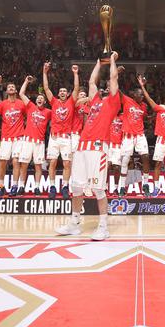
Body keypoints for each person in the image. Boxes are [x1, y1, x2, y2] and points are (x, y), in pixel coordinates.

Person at [55, 52, 121, 241]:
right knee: (76, 187)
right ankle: (74, 223)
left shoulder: (114, 102)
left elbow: (114, 77)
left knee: (98, 189)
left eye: (110, 86)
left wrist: (113, 60)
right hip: (82, 147)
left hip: (99, 148)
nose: (107, 86)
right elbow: (92, 82)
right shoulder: (96, 101)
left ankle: (103, 227)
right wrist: (98, 62)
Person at [137, 75, 165, 197]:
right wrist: (142, 86)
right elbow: (149, 99)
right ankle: (156, 188)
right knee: (157, 164)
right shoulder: (159, 109)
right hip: (161, 140)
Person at [43, 63, 80, 199]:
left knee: (66, 163)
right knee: (52, 163)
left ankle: (65, 187)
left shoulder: (71, 102)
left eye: (65, 91)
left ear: (67, 94)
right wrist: (45, 72)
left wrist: (75, 73)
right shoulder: (53, 102)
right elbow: (46, 88)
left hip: (66, 138)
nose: (63, 93)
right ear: (58, 94)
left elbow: (76, 88)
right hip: (54, 138)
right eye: (61, 91)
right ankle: (52, 186)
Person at [0, 80, 26, 196]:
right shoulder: (2, 104)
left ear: (16, 90)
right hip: (6, 138)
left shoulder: (21, 104)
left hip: (19, 137)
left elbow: (29, 117)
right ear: (7, 90)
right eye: (9, 87)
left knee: (15, 161)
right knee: (2, 161)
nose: (11, 88)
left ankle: (14, 186)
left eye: (13, 86)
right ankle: (1, 186)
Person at [18, 75, 53, 195]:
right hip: (27, 140)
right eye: (38, 98)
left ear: (44, 101)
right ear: (36, 100)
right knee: (24, 165)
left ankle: (37, 187)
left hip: (39, 142)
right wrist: (26, 81)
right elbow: (21, 94)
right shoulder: (31, 107)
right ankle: (21, 186)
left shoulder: (48, 112)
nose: (39, 100)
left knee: (38, 167)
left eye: (41, 99)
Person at [117, 86, 151, 196]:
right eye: (140, 94)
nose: (142, 96)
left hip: (140, 134)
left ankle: (145, 184)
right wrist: (116, 75)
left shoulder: (144, 106)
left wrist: (152, 118)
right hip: (128, 135)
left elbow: (144, 117)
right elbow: (118, 90)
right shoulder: (127, 100)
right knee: (125, 160)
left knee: (145, 156)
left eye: (142, 95)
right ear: (134, 95)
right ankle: (122, 187)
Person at [108, 114, 124, 194]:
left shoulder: (124, 116)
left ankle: (116, 188)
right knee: (106, 167)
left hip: (119, 146)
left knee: (117, 167)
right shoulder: (108, 114)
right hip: (108, 145)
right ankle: (104, 187)